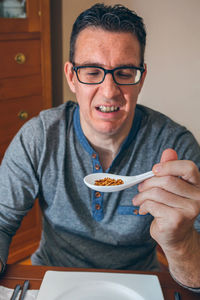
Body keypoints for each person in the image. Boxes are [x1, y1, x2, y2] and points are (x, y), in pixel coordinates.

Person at [0, 3, 200, 292]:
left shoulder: (175, 148)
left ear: (140, 77)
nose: (109, 91)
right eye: (92, 72)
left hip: (139, 284)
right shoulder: (40, 137)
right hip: (54, 277)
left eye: (124, 72)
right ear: (71, 77)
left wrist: (180, 243)